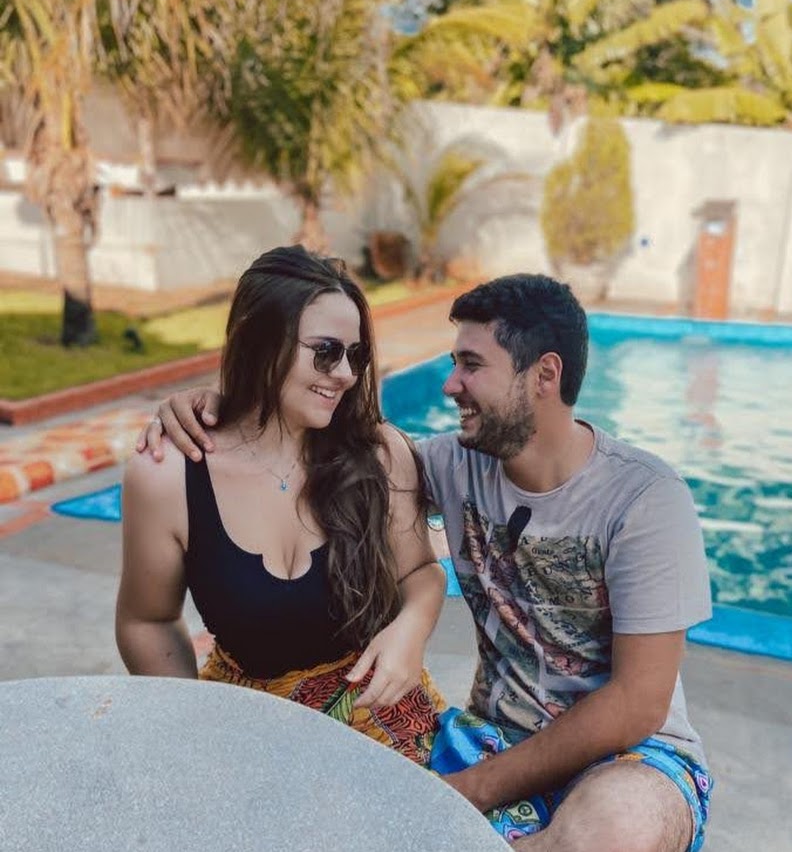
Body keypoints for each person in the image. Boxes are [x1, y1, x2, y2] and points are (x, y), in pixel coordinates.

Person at [139, 273, 714, 852]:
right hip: (494, 737)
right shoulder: (452, 464)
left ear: (544, 375)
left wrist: (467, 791)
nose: (449, 385)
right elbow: (321, 448)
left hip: (631, 759)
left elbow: (638, 704)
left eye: (471, 365)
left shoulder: (645, 499)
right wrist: (220, 406)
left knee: (610, 835)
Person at [118, 245, 446, 766]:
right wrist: (192, 729)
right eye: (325, 351)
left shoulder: (379, 454)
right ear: (260, 340)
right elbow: (147, 620)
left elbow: (421, 573)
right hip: (246, 728)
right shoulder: (169, 475)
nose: (345, 374)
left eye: (356, 355)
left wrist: (410, 632)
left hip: (380, 724)